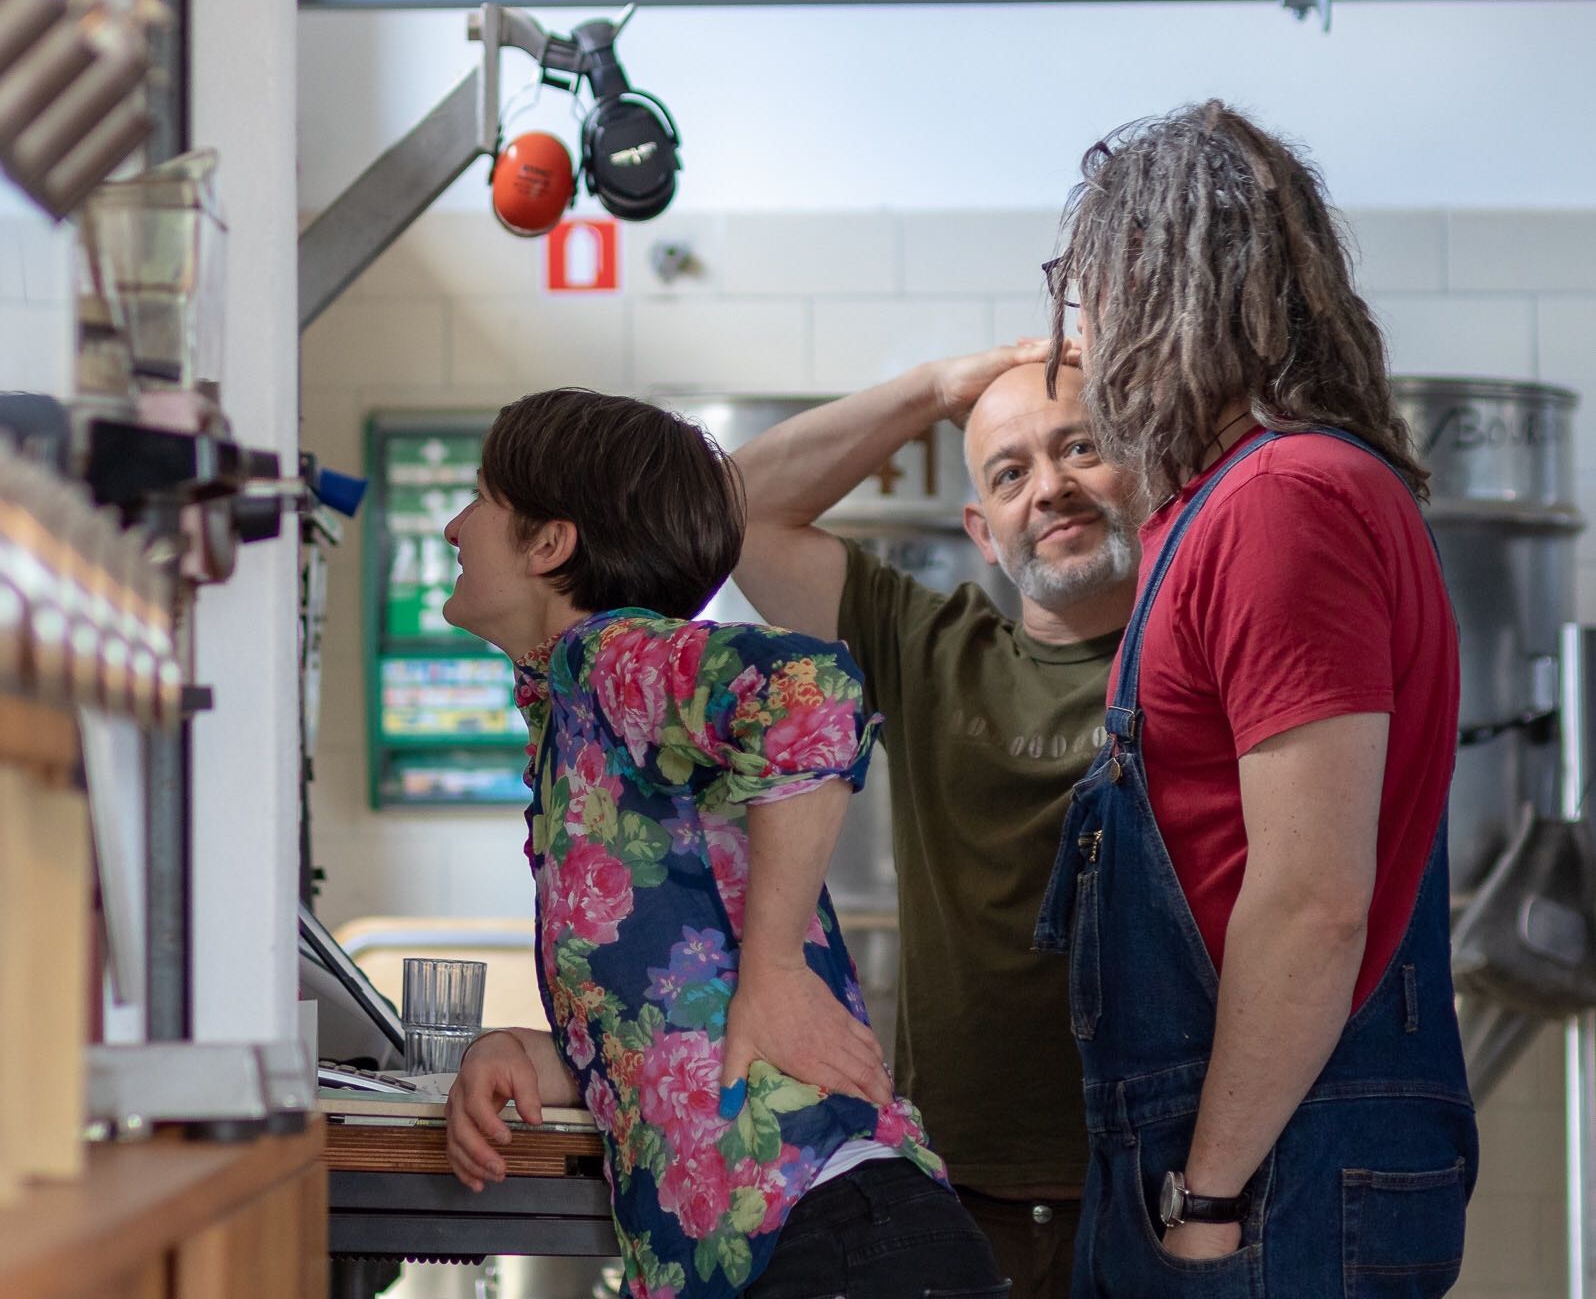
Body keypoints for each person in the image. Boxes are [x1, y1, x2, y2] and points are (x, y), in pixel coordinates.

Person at [1031, 100, 1477, 1296]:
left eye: (1084, 291)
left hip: (1270, 1180)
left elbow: (1314, 900)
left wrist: (1207, 1198)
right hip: (1245, 1158)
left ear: (1156, 283)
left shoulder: (1283, 504)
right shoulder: (1222, 508)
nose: (1078, 334)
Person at [437, 388, 1007, 1299]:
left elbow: (810, 689)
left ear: (549, 546)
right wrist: (527, 1050)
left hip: (831, 1240)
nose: (453, 529)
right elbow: (680, 1021)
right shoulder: (579, 715)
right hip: (828, 1243)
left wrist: (777, 968)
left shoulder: (604, 655)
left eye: (480, 500)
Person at [730, 352, 1140, 1298]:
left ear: (1147, 477)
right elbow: (733, 513)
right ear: (982, 533)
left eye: (1081, 448)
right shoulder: (929, 648)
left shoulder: (1203, 650)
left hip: (1158, 1195)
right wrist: (936, 390)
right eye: (1010, 473)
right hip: (957, 1201)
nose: (1050, 487)